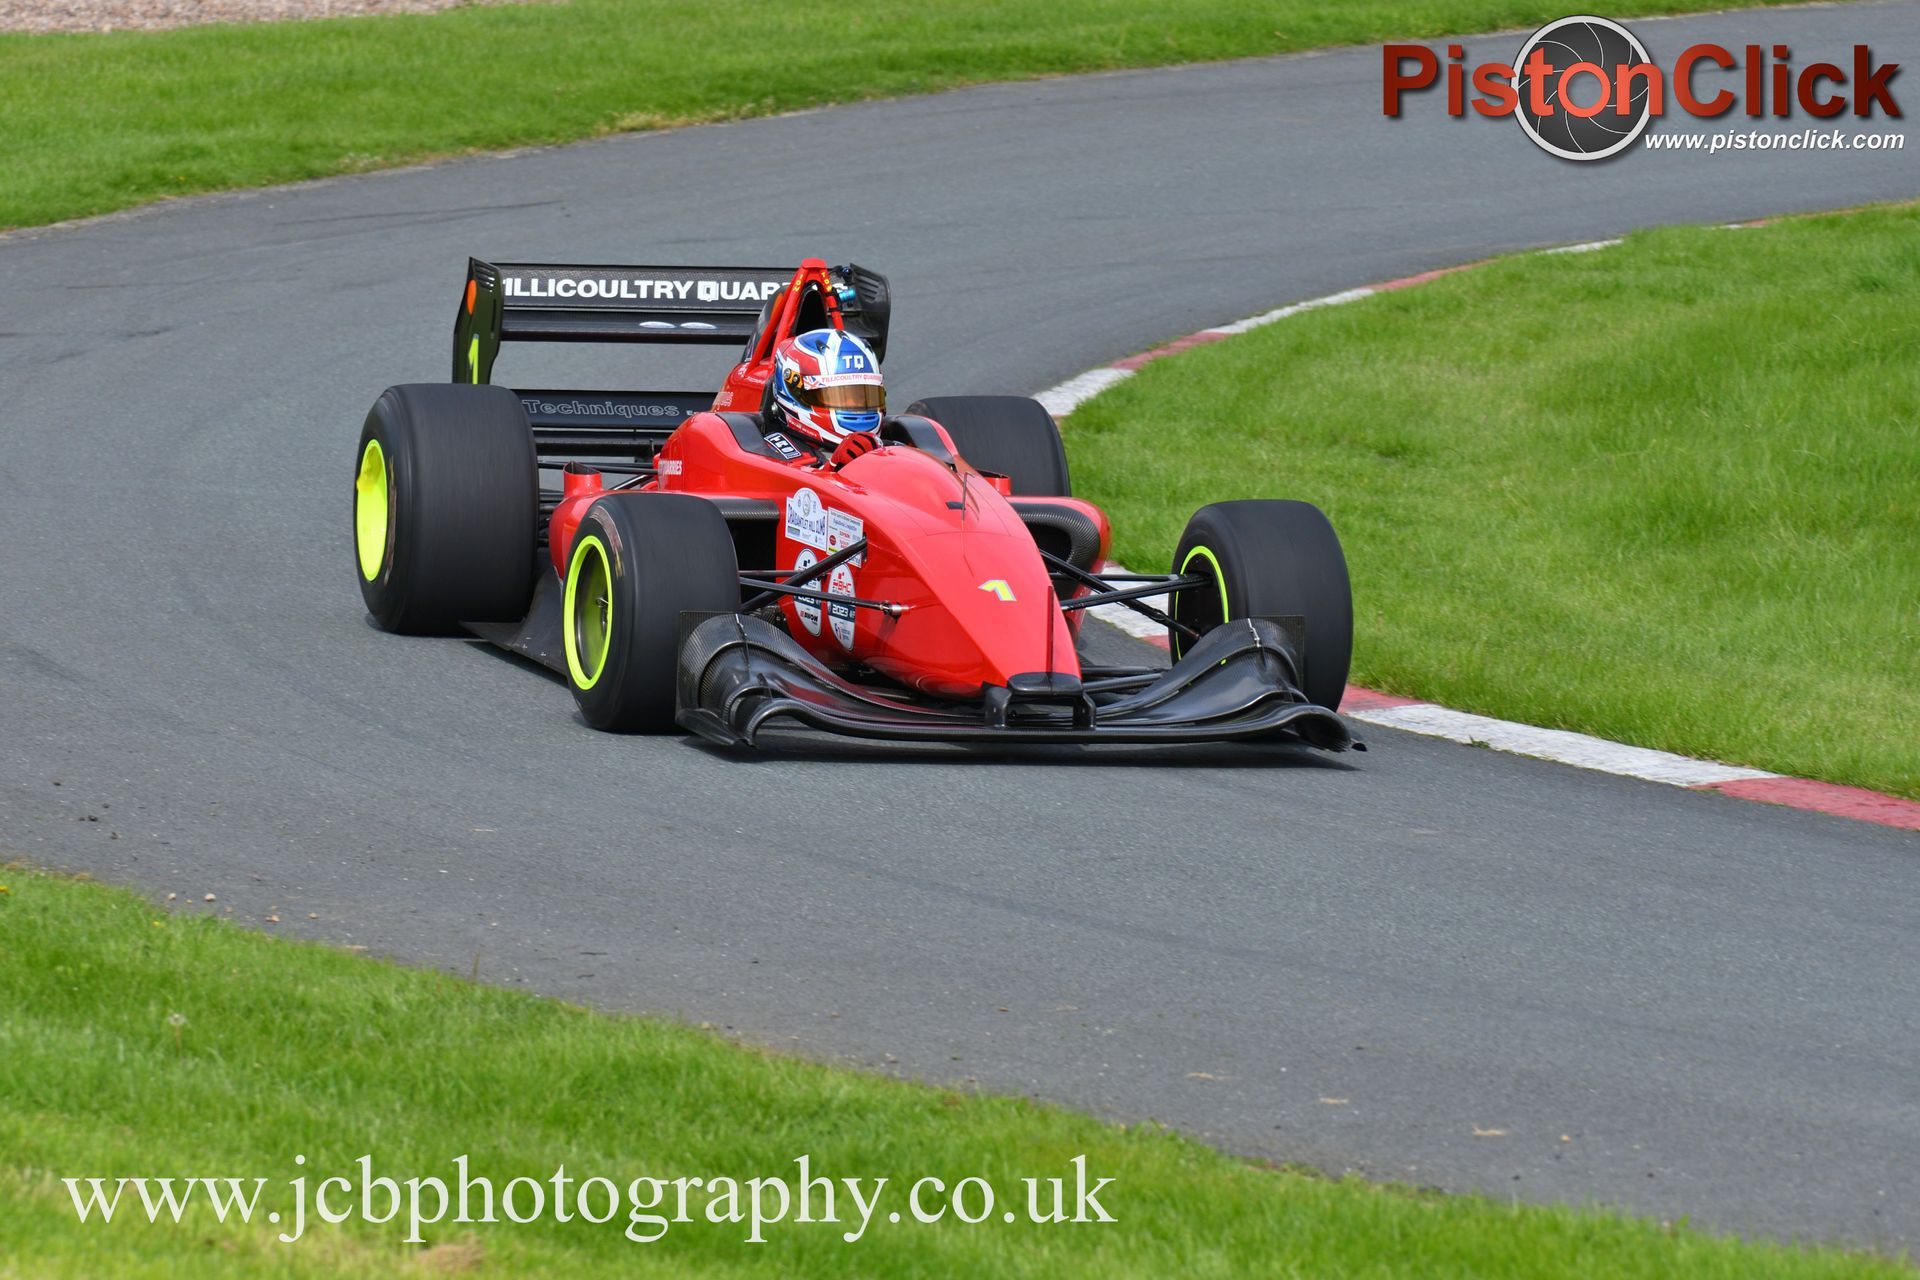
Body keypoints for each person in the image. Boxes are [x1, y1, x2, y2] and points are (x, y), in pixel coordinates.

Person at [767, 328, 886, 468]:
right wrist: (831, 469)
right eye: (840, 397)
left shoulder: (891, 445)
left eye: (862, 397)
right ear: (794, 392)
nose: (855, 406)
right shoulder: (771, 454)